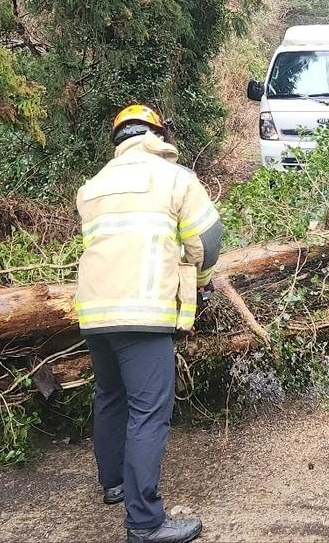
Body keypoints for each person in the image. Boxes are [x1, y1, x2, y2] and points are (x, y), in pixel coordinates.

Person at [75, 104, 224, 543]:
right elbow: (209, 238)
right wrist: (200, 281)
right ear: (157, 135)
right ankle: (144, 523)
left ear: (118, 139)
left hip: (95, 312)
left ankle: (114, 484)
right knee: (149, 412)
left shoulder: (92, 187)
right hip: (143, 312)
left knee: (109, 396)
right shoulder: (175, 178)